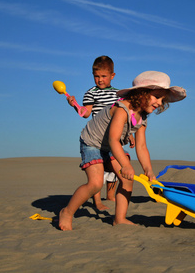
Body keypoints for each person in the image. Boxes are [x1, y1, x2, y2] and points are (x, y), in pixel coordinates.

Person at [59, 71, 186, 230]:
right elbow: (113, 139)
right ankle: (67, 212)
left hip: (111, 146)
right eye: (156, 96)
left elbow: (141, 146)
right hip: (93, 142)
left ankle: (119, 218)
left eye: (162, 99)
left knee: (127, 180)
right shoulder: (122, 108)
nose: (159, 102)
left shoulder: (143, 117)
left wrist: (148, 170)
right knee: (96, 183)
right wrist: (125, 164)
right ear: (142, 93)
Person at [65, 55, 128, 211]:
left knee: (121, 173)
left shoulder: (118, 94)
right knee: (96, 177)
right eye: (96, 76)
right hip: (95, 138)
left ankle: (118, 207)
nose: (100, 80)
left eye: (104, 76)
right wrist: (74, 105)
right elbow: (86, 113)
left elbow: (123, 116)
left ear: (112, 76)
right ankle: (97, 202)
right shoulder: (91, 93)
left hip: (112, 139)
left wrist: (129, 134)